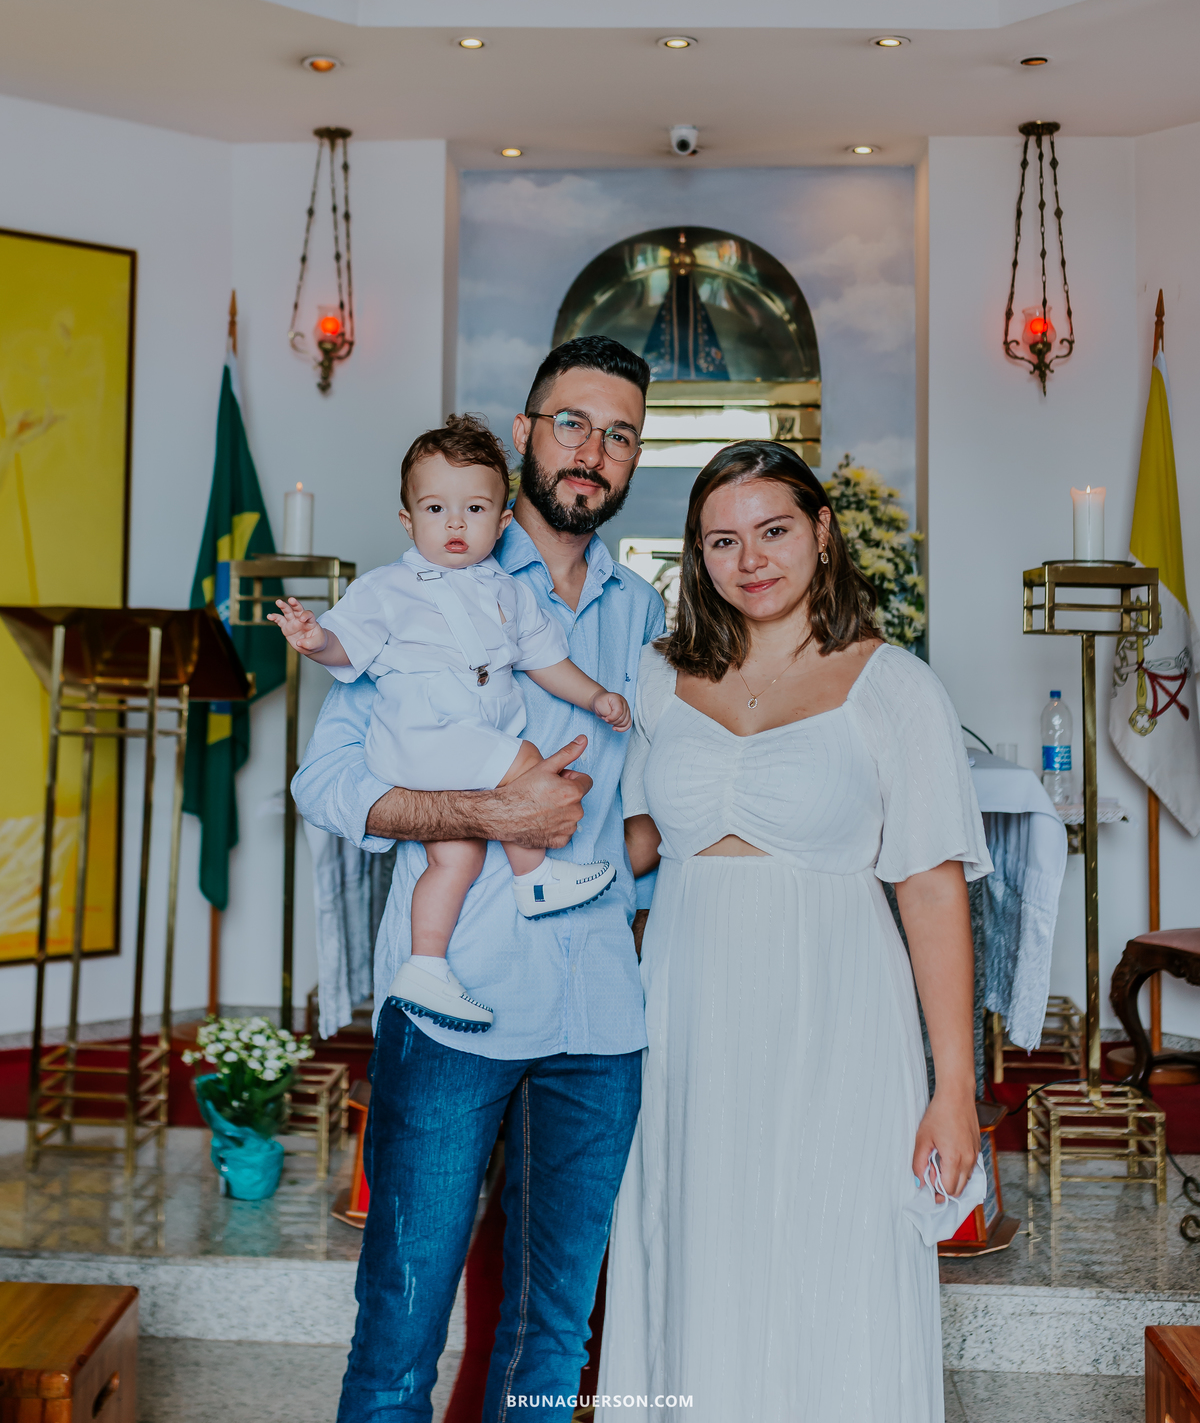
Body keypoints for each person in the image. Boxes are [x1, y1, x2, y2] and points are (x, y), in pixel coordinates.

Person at [291, 336, 665, 1423]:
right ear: (525, 434)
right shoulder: (422, 587)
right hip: (459, 1006)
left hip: (599, 1014)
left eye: (621, 432)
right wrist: (486, 813)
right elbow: (328, 783)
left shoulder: (641, 614)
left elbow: (649, 792)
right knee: (403, 1322)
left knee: (554, 1332)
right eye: (573, 423)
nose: (594, 449)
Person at [600, 440, 991, 1423]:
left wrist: (954, 1089)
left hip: (840, 1013)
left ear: (821, 530)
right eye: (723, 540)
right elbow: (629, 846)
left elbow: (935, 892)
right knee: (693, 1241)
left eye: (773, 530)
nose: (751, 559)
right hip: (686, 1012)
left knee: (835, 1250)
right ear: (699, 555)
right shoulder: (657, 678)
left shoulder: (894, 685)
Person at [271, 414, 632, 1033]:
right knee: (522, 759)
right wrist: (316, 639)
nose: (456, 524)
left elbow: (548, 661)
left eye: (474, 508)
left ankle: (426, 967)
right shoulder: (387, 588)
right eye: (436, 509)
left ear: (502, 519)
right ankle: (536, 878)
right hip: (420, 741)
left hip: (451, 754)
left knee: (456, 857)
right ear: (409, 521)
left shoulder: (508, 592)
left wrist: (597, 694)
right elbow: (348, 647)